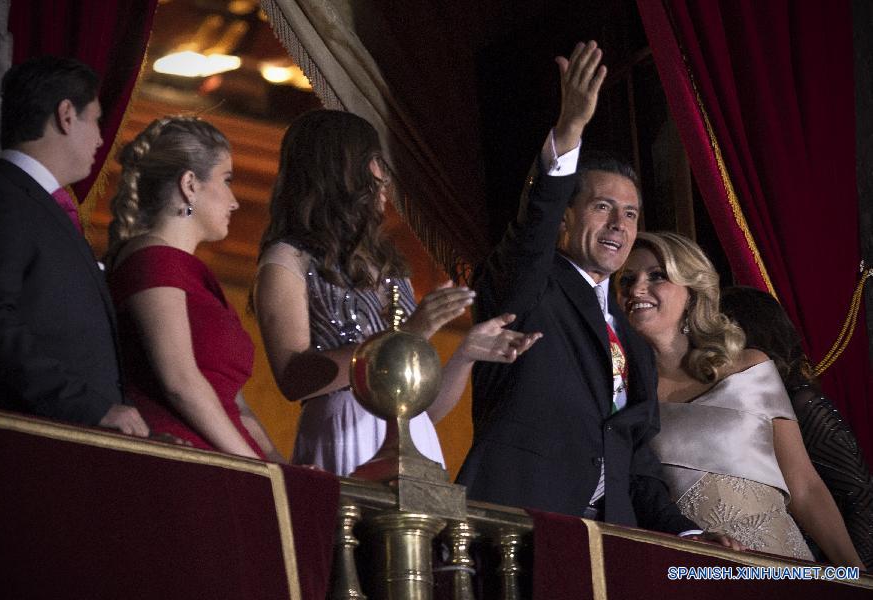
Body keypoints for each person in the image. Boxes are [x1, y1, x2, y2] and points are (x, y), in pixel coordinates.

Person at [456, 42, 719, 541]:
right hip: (519, 524)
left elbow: (635, 463)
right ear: (566, 217)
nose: (620, 224)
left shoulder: (632, 339)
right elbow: (530, 234)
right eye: (602, 207)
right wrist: (569, 130)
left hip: (606, 538)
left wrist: (686, 533)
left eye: (631, 214)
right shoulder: (529, 286)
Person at [252, 109, 541, 476]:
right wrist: (405, 336)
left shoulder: (388, 266)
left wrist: (466, 353)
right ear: (339, 168)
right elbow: (294, 380)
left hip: (414, 442)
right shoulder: (286, 260)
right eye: (375, 160)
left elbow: (423, 410)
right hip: (344, 433)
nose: (384, 178)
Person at [616, 231, 863, 566]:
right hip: (691, 571)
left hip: (781, 564)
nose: (636, 289)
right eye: (627, 280)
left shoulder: (750, 368)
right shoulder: (620, 392)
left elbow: (804, 486)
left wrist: (855, 573)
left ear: (692, 292)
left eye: (657, 276)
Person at [0, 56, 147, 436]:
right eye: (96, 120)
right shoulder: (1, 201)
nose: (100, 139)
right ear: (66, 115)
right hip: (32, 438)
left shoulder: (40, 205)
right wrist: (87, 407)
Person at [105, 116, 283, 461]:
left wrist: (280, 467)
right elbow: (181, 382)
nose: (234, 201)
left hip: (223, 456)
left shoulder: (196, 276)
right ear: (189, 184)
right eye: (227, 180)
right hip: (183, 458)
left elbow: (236, 403)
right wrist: (253, 466)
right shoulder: (153, 259)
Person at [720, 285, 873, 569]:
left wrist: (855, 574)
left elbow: (859, 494)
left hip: (825, 558)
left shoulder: (803, 403)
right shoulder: (739, 406)